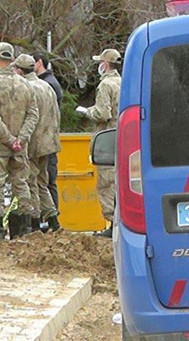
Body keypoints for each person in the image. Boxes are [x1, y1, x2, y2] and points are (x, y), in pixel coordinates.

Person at [0, 42, 39, 240]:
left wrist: (8, 139)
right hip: (20, 145)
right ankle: (26, 226)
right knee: (21, 183)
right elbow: (33, 114)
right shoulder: (26, 84)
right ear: (13, 59)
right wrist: (20, 139)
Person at [76, 48, 122, 238]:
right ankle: (119, 222)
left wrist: (87, 111)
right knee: (120, 181)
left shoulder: (105, 85)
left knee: (106, 183)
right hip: (123, 137)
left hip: (107, 139)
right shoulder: (123, 82)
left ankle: (112, 223)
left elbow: (103, 113)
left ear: (105, 64)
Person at [14, 54, 61, 232]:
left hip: (33, 143)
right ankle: (53, 220)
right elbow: (56, 115)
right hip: (48, 143)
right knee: (42, 182)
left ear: (20, 70)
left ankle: (34, 223)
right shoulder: (46, 86)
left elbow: (25, 118)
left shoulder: (26, 88)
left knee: (31, 182)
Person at [33, 51, 62, 212]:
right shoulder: (48, 82)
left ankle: (51, 215)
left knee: (48, 180)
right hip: (48, 139)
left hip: (46, 139)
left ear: (39, 62)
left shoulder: (48, 84)